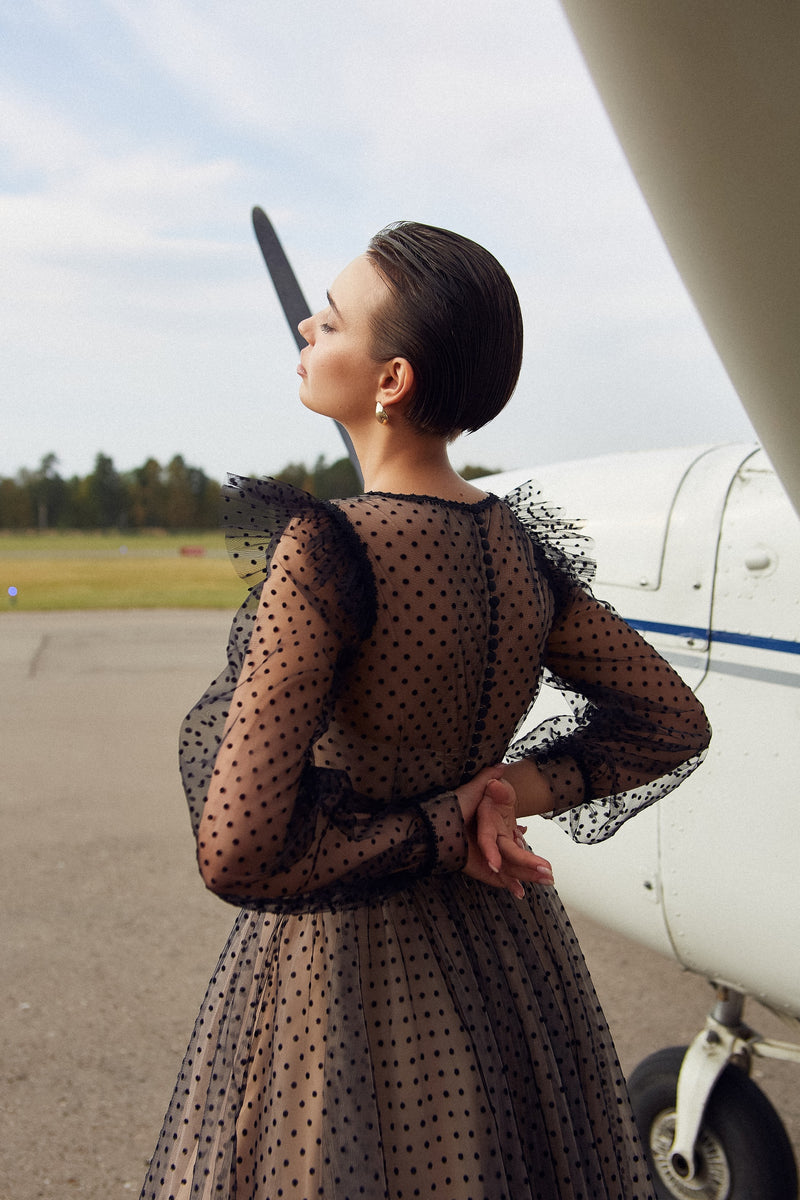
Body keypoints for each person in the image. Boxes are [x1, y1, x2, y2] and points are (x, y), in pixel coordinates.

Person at [140, 222, 710, 1200]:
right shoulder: (516, 548)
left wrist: (447, 823)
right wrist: (504, 791)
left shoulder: (330, 550)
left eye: (326, 320)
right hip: (507, 959)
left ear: (390, 380)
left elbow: (235, 849)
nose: (305, 336)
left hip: (345, 975)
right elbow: (670, 719)